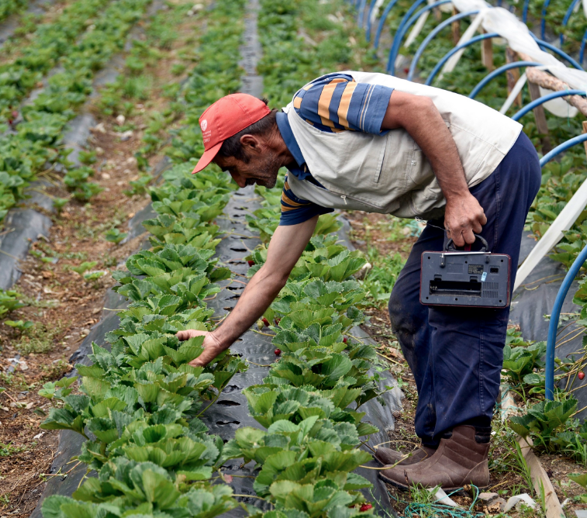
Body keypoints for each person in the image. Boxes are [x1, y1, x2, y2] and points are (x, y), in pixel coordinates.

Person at [175, 71, 541, 490]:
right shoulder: (303, 187)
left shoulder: (318, 105)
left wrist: (458, 196)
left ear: (252, 144)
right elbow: (271, 273)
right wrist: (217, 340)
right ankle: (437, 441)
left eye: (233, 169)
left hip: (490, 169)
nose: (239, 183)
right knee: (411, 306)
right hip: (450, 194)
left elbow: (416, 109)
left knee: (462, 306)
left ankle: (464, 453)